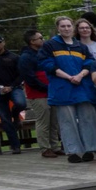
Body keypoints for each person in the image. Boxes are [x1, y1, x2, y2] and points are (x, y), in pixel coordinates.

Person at [38, 16, 96, 163]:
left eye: (68, 26)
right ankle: (73, 151)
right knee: (67, 121)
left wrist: (79, 75)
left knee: (87, 118)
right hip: (62, 87)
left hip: (82, 87)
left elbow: (89, 62)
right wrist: (68, 77)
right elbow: (46, 64)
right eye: (63, 26)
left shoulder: (80, 46)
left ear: (73, 27)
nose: (66, 29)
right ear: (58, 28)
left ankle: (90, 149)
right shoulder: (50, 45)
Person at [18, 29, 63, 158]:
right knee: (43, 121)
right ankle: (45, 147)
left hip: (51, 92)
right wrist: (45, 87)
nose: (43, 40)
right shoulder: (26, 57)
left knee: (53, 121)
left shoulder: (43, 53)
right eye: (40, 38)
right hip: (38, 94)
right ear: (32, 41)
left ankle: (55, 146)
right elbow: (30, 78)